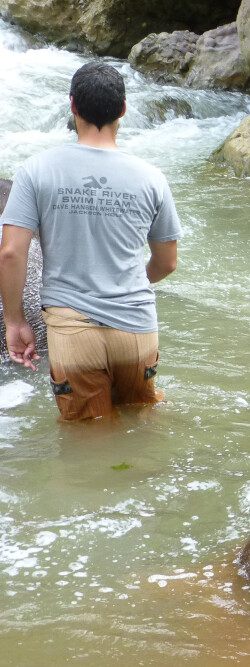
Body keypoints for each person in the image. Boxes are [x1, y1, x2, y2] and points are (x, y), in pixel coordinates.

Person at [0, 61, 180, 420]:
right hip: (137, 329)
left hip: (72, 334)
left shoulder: (35, 170)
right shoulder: (152, 178)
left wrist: (15, 320)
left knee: (89, 441)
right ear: (124, 110)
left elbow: (10, 253)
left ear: (72, 107)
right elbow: (167, 263)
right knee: (142, 426)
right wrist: (124, 285)